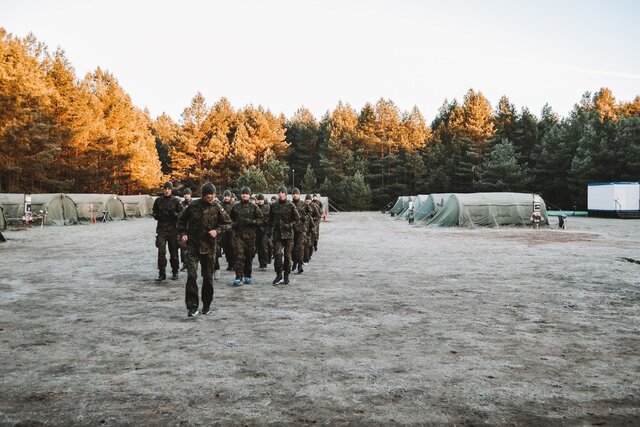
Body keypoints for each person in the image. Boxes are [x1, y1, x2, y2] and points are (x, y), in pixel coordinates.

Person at [178, 183, 231, 317]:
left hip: (209, 247)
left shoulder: (217, 207)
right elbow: (181, 221)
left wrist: (217, 231)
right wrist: (183, 233)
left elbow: (227, 224)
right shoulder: (192, 206)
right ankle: (192, 306)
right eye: (208, 196)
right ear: (203, 195)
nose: (211, 198)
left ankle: (206, 304)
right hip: (193, 246)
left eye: (212, 196)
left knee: (207, 278)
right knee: (192, 276)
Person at [229, 186, 263, 286]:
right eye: (243, 193)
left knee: (249, 256)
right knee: (239, 256)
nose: (245, 195)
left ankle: (247, 275)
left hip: (250, 236)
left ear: (249, 195)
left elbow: (261, 220)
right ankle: (238, 277)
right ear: (241, 195)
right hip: (238, 235)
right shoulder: (235, 206)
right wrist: (234, 224)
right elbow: (229, 219)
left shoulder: (254, 207)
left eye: (247, 193)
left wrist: (252, 222)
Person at [268, 185, 300, 285]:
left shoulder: (291, 205)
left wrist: (289, 225)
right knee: (277, 254)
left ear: (286, 194)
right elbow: (270, 219)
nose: (281, 194)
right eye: (279, 192)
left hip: (288, 235)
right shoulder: (273, 206)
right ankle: (279, 275)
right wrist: (270, 229)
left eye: (283, 192)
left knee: (287, 256)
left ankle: (286, 275)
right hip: (277, 234)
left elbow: (297, 219)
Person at [152, 182, 183, 281]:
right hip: (162, 230)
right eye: (165, 189)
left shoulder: (176, 201)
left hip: (173, 230)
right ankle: (162, 272)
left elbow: (182, 215)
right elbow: (154, 212)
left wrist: (174, 214)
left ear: (171, 190)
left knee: (173, 252)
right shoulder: (158, 201)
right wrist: (158, 215)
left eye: (169, 189)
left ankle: (175, 271)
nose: (167, 191)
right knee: (161, 252)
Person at [291, 188, 315, 274]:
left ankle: (300, 264)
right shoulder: (290, 204)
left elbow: (310, 211)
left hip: (302, 229)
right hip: (292, 229)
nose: (295, 195)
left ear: (299, 195)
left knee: (300, 247)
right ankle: (294, 262)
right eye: (293, 194)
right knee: (292, 247)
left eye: (296, 193)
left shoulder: (304, 204)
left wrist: (306, 217)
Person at [220, 190, 235, 271]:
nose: (226, 197)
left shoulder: (233, 206)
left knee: (232, 246)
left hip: (231, 229)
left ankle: (233, 263)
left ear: (230, 197)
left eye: (228, 196)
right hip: (223, 230)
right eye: (225, 196)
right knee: (225, 248)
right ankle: (229, 263)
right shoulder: (220, 205)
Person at [255, 193, 271, 271]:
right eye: (259, 200)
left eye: (261, 200)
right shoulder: (255, 208)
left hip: (265, 230)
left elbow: (270, 218)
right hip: (257, 230)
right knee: (258, 247)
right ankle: (261, 263)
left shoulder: (267, 208)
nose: (260, 201)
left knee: (263, 246)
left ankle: (264, 263)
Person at [304, 194, 321, 264]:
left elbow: (318, 216)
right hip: (305, 226)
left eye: (309, 200)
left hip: (313, 225)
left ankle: (310, 253)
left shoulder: (314, 206)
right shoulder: (303, 206)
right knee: (306, 242)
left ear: (311, 200)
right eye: (306, 200)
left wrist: (312, 219)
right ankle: (305, 257)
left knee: (311, 242)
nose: (307, 201)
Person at [179, 188, 192, 271]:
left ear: (190, 195)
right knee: (183, 246)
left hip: (191, 227)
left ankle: (190, 263)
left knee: (191, 246)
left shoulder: (194, 203)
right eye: (185, 194)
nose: (186, 195)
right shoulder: (181, 204)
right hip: (183, 227)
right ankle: (184, 263)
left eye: (187, 194)